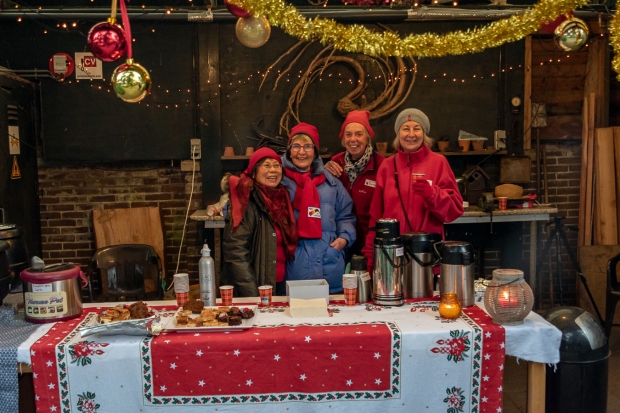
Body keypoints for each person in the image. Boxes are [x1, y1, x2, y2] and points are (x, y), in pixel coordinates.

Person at [362, 108, 464, 270]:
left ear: (424, 134)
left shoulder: (439, 163)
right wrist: (370, 256)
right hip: (392, 257)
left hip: (427, 257)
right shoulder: (387, 166)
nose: (411, 134)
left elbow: (454, 211)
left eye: (417, 128)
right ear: (398, 134)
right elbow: (376, 218)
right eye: (405, 129)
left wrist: (432, 194)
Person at [281, 122, 356, 293]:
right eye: (296, 146)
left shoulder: (332, 183)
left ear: (315, 151)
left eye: (308, 146)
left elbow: (346, 215)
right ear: (289, 150)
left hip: (329, 263)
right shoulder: (278, 181)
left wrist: (344, 238)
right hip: (293, 266)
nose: (301, 152)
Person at [221, 148, 298, 297]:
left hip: (279, 285)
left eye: (277, 165)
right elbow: (236, 253)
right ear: (254, 171)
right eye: (266, 165)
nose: (273, 170)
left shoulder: (282, 198)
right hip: (257, 289)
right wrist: (253, 295)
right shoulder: (245, 201)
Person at [324, 110, 385, 256]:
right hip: (340, 240)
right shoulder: (335, 163)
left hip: (371, 241)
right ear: (343, 138)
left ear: (368, 138)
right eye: (348, 134)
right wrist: (322, 169)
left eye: (359, 134)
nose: (353, 139)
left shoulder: (382, 165)